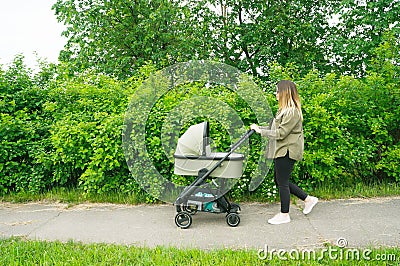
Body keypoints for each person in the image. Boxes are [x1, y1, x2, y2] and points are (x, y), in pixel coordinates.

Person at [251, 80, 318, 225]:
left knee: (282, 182)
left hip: (287, 150)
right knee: (280, 180)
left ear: (284, 93)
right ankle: (308, 199)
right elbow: (275, 127)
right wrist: (258, 128)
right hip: (281, 149)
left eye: (277, 91)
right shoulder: (283, 111)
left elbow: (281, 133)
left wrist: (261, 131)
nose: (275, 94)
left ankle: (284, 214)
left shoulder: (292, 112)